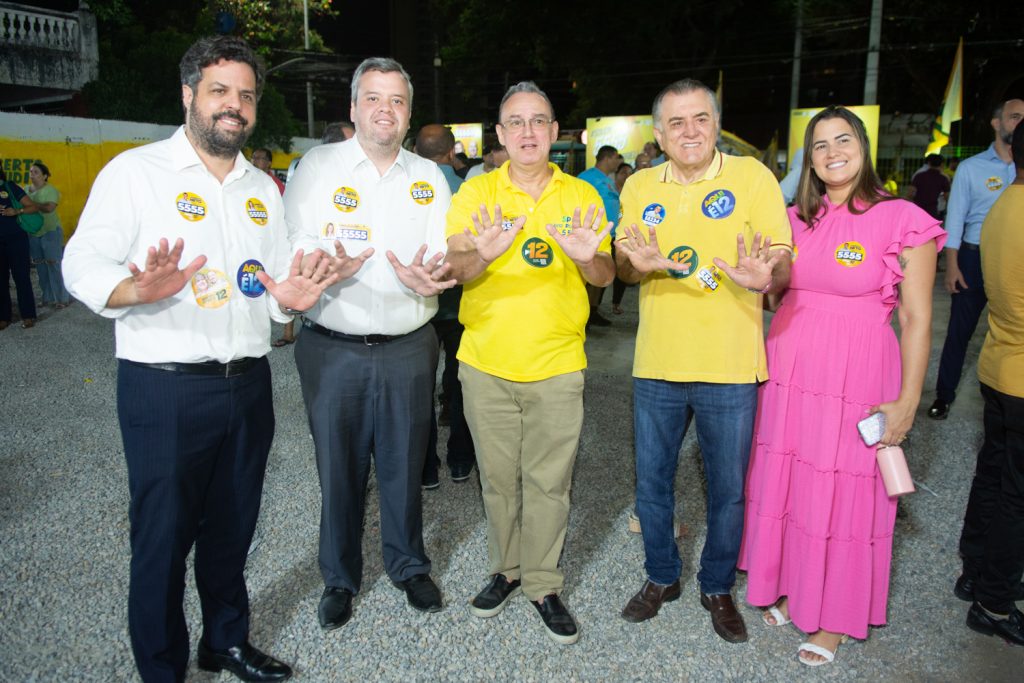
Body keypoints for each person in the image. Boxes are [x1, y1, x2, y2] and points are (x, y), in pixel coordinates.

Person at [60, 35, 342, 682]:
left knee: (233, 528)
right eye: (219, 91)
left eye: (245, 94)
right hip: (165, 391)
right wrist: (135, 289)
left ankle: (226, 641)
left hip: (246, 384)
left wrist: (289, 302)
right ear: (188, 95)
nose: (234, 106)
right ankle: (163, 668)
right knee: (161, 542)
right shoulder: (135, 174)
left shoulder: (261, 189)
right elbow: (80, 261)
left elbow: (270, 287)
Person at [739, 106, 944, 666]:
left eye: (843, 139)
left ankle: (835, 616)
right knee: (791, 480)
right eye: (820, 144)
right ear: (809, 157)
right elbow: (774, 292)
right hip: (789, 371)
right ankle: (790, 586)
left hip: (857, 376)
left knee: (848, 490)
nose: (832, 152)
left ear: (864, 145)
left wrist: (907, 401)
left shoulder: (904, 218)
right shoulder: (792, 219)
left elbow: (918, 321)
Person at [615, 78, 792, 645]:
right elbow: (623, 268)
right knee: (652, 483)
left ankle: (717, 585)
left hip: (731, 365)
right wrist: (636, 265)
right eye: (676, 122)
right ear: (659, 133)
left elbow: (780, 257)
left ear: (716, 123)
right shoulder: (640, 185)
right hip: (658, 364)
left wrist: (770, 277)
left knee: (728, 488)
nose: (689, 131)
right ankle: (662, 576)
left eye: (699, 119)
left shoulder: (752, 177)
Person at [284, 57, 454, 631]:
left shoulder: (428, 177)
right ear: (354, 108)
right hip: (333, 345)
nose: (386, 109)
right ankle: (339, 575)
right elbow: (297, 234)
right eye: (374, 98)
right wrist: (318, 259)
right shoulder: (318, 165)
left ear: (409, 115)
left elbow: (440, 251)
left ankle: (408, 564)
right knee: (339, 464)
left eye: (398, 100)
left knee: (406, 461)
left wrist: (433, 275)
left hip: (409, 343)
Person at [444, 81, 614, 645]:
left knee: (549, 482)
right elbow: (457, 269)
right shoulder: (476, 194)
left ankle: (543, 582)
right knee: (497, 480)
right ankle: (506, 569)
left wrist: (592, 262)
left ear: (555, 132)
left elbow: (606, 275)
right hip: (486, 362)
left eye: (538, 121)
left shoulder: (582, 196)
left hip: (558, 363)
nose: (527, 132)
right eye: (515, 122)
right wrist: (481, 252)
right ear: (499, 134)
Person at [955, 122, 1024, 647]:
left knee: (994, 474)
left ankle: (975, 570)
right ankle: (995, 602)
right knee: (1016, 495)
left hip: (1000, 365)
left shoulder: (1003, 208)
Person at [929, 98, 1024, 420]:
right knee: (960, 331)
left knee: (1012, 333)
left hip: (1015, 261)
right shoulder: (972, 168)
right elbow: (954, 219)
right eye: (1014, 117)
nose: (1020, 122)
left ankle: (1006, 398)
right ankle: (944, 395)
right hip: (973, 259)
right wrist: (952, 265)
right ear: (996, 123)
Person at [413, 123, 475, 488]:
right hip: (460, 304)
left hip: (417, 307)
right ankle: (461, 460)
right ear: (452, 153)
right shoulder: (468, 191)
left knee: (418, 390)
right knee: (461, 384)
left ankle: (425, 468)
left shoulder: (406, 189)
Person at [273, 122, 356, 349]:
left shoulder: (362, 182)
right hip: (323, 326)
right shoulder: (309, 183)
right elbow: (293, 236)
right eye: (353, 143)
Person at [578, 145, 623, 327]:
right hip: (592, 236)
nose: (618, 162)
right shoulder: (587, 177)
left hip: (610, 234)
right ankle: (584, 313)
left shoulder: (607, 180)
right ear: (607, 157)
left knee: (602, 277)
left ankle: (594, 310)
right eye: (616, 158)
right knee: (588, 276)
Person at [1, 161, 41, 329]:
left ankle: (28, 315)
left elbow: (32, 207)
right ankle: (3, 317)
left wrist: (17, 211)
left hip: (16, 240)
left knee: (22, 277)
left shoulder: (10, 187)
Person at [26, 161, 71, 309]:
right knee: (40, 266)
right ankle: (47, 297)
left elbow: (49, 208)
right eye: (31, 172)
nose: (32, 175)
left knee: (53, 264)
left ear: (45, 176)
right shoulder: (26, 190)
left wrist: (32, 205)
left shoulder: (50, 190)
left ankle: (62, 297)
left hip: (50, 231)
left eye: (36, 172)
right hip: (33, 232)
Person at [611, 162, 633, 314]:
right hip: (608, 235)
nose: (626, 176)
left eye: (629, 173)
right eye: (623, 172)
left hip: (624, 236)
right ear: (617, 174)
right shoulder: (609, 188)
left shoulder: (633, 190)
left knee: (621, 271)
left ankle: (616, 303)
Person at [908, 153, 950, 219]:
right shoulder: (943, 178)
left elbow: (910, 193)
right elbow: (947, 197)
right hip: (932, 210)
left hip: (918, 209)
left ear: (929, 163)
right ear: (942, 164)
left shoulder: (919, 176)